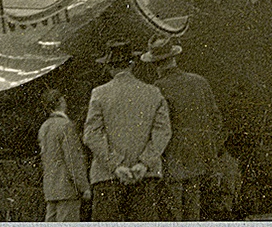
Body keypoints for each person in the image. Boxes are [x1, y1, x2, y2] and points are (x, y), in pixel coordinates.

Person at [83, 40, 170, 221]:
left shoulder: (99, 94)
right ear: (132, 64)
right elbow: (163, 132)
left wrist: (116, 165)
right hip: (145, 176)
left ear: (109, 67)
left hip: (107, 177)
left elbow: (91, 134)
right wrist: (144, 163)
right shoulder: (153, 92)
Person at [142, 34, 225, 220]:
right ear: (174, 57)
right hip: (200, 162)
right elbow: (216, 121)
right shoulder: (200, 82)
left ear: (155, 64)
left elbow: (154, 130)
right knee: (194, 215)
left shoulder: (156, 89)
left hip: (170, 165)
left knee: (172, 217)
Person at [39, 87, 91, 221]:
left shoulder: (44, 127)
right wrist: (83, 186)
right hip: (67, 189)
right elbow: (73, 159)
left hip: (51, 189)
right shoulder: (65, 125)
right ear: (61, 102)